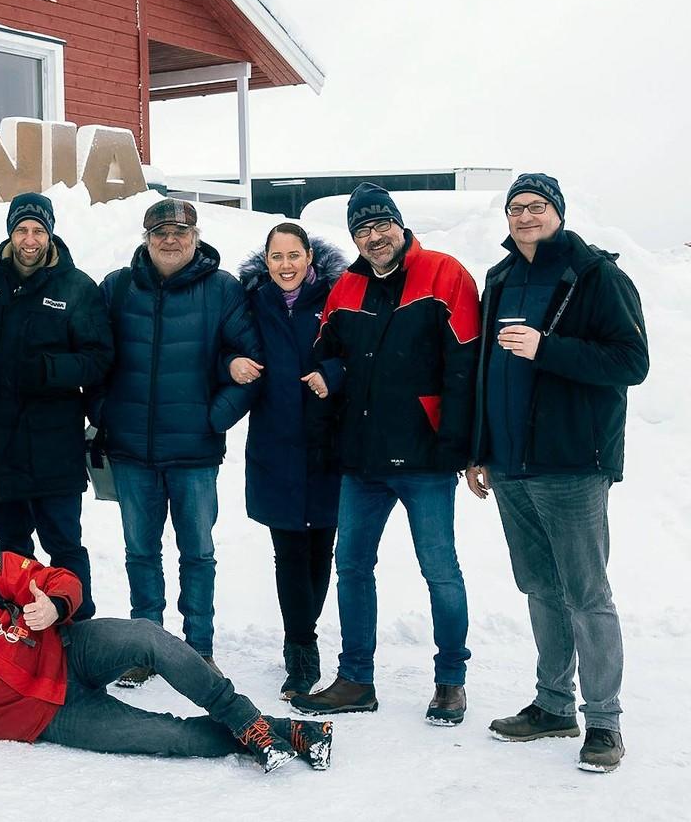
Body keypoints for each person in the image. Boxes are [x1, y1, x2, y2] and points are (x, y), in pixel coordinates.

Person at [0, 520, 332, 773]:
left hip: (68, 649)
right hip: (44, 717)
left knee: (146, 636)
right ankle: (286, 732)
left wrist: (55, 605)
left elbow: (57, 579)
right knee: (170, 737)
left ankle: (245, 719)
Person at [465, 173, 648, 772]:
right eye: (516, 207)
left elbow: (631, 361)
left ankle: (604, 723)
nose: (525, 216)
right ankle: (552, 706)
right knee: (540, 588)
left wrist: (547, 348)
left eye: (537, 206)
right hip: (510, 464)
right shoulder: (500, 278)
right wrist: (480, 448)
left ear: (558, 213)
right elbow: (487, 370)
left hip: (571, 463)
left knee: (586, 594)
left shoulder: (596, 275)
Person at [290, 183, 479, 726]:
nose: (374, 237)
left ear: (399, 225)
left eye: (381, 225)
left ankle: (451, 681)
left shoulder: (445, 274)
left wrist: (461, 447)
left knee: (439, 570)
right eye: (362, 230)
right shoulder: (345, 288)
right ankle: (356, 678)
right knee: (352, 566)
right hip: (363, 460)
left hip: (426, 458)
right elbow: (327, 358)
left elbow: (466, 368)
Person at [96, 198, 261, 685]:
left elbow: (250, 363)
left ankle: (198, 649)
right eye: (160, 232)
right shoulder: (117, 287)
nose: (170, 240)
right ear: (146, 238)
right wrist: (102, 412)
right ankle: (144, 648)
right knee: (140, 553)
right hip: (132, 451)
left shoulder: (222, 289)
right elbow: (94, 355)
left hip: (194, 454)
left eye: (180, 232)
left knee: (198, 554)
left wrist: (214, 419)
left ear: (196, 236)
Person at [0, 192, 112, 620]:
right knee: (11, 547)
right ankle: (19, 628)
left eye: (38, 231)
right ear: (10, 232)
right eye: (22, 230)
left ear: (50, 234)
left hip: (53, 446)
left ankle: (77, 627)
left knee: (63, 544)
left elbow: (99, 359)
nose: (30, 240)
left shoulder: (76, 287)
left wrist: (50, 369)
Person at [237, 223, 347, 699]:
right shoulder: (252, 301)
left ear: (309, 258)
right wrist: (231, 363)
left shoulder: (337, 296)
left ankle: (303, 629)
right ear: (266, 262)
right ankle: (301, 648)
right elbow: (225, 345)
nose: (286, 265)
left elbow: (362, 352)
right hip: (275, 443)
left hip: (328, 444)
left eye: (293, 255)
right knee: (289, 551)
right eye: (277, 257)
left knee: (321, 548)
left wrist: (331, 374)